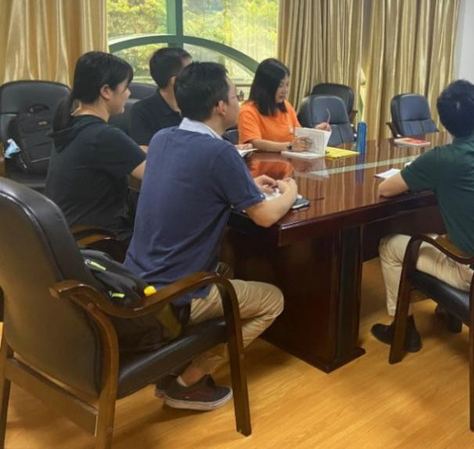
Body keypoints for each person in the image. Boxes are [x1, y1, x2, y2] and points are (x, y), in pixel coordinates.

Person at [124, 62, 296, 411]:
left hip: (136, 280)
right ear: (220, 106)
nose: (239, 101)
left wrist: (247, 185)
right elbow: (264, 217)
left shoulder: (163, 138)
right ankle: (188, 382)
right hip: (175, 293)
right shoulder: (219, 152)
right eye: (235, 95)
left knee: (228, 271)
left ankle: (177, 361)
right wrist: (289, 193)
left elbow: (193, 184)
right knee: (273, 300)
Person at [371, 80, 474, 351]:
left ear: (443, 122)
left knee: (389, 245)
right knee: (439, 233)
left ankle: (402, 330)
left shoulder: (441, 158)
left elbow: (385, 189)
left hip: (472, 271)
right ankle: (448, 312)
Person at [45, 51, 146, 241]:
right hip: (100, 241)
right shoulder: (104, 135)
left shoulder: (72, 123)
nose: (129, 93)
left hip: (67, 235)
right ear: (106, 91)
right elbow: (157, 176)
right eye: (126, 87)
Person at [238, 58, 330, 152]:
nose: (285, 91)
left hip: (289, 160)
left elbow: (299, 134)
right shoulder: (248, 111)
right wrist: (289, 146)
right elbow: (255, 143)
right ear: (266, 86)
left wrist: (316, 132)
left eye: (287, 85)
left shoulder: (286, 106)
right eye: (280, 85)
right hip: (261, 161)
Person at [129, 47, 193, 147]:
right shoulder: (142, 110)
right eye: (191, 73)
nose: (196, 77)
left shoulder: (199, 103)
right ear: (175, 81)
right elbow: (144, 149)